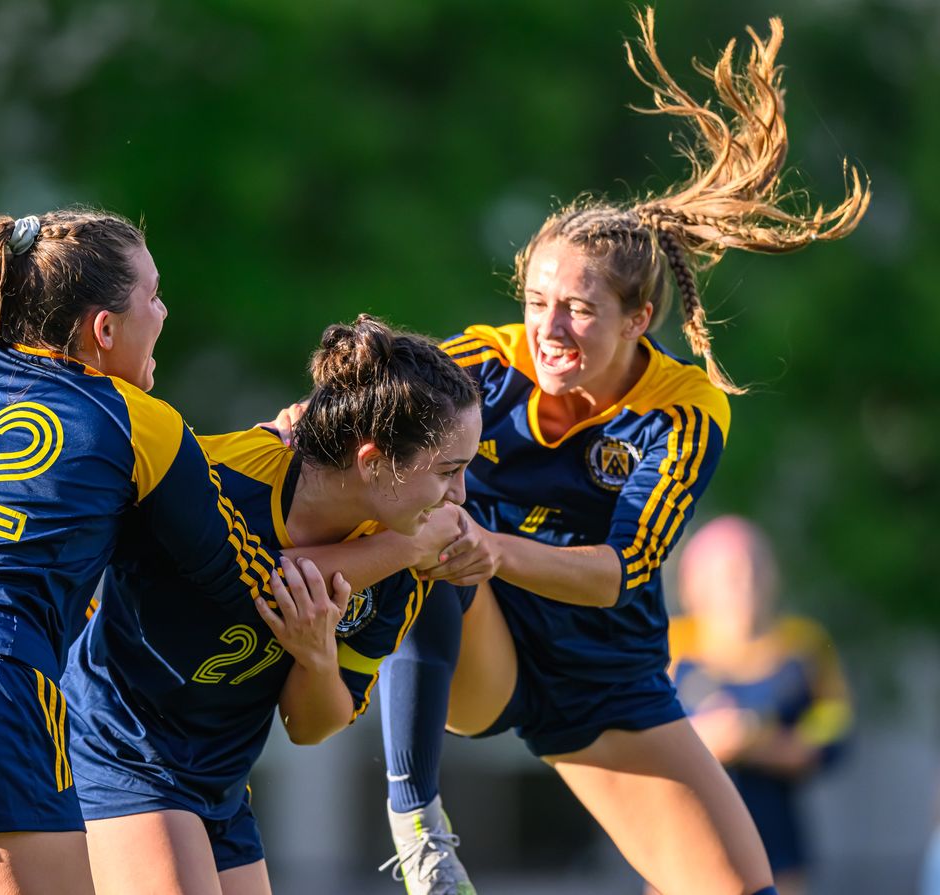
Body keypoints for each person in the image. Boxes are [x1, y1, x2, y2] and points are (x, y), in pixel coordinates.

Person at [0, 212, 429, 895]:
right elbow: (254, 583)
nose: (165, 313)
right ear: (103, 330)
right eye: (153, 295)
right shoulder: (138, 419)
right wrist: (405, 544)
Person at [363, 11, 870, 895]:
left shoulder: (684, 410)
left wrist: (499, 552)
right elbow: (366, 413)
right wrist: (302, 423)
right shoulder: (483, 360)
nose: (550, 328)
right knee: (423, 511)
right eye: (536, 300)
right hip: (489, 654)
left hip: (605, 683)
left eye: (581, 308)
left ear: (639, 319)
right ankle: (416, 821)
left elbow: (617, 572)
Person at [68, 316, 480, 895]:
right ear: (371, 462)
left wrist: (315, 657)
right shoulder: (220, 477)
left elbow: (312, 727)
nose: (459, 498)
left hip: (223, 785)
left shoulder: (403, 571)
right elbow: (265, 578)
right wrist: (406, 543)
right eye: (448, 472)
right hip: (116, 746)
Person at [668, 516, 852, 895]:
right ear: (692, 584)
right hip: (679, 854)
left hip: (776, 853)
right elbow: (629, 736)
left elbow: (835, 734)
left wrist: (761, 743)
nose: (746, 583)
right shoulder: (667, 648)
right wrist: (704, 742)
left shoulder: (803, 647)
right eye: (731, 573)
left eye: (757, 567)